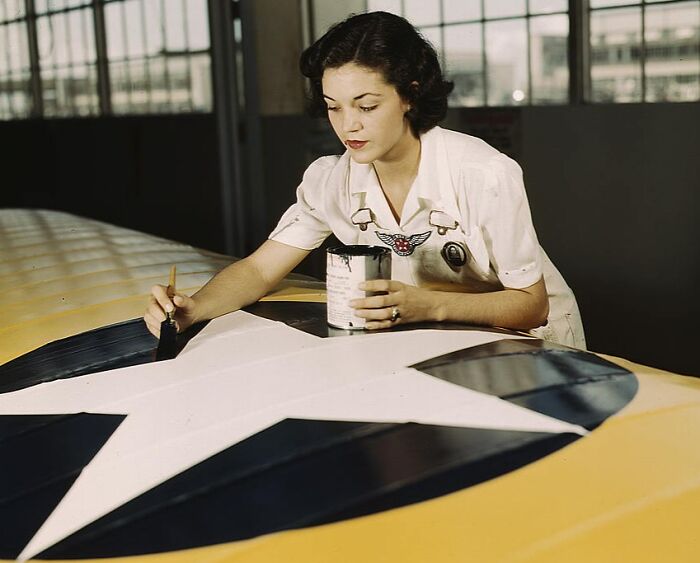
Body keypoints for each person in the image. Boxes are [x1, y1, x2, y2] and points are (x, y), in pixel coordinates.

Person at [145, 11, 585, 348]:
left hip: (536, 343)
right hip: (434, 335)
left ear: (410, 94)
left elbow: (531, 303)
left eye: (367, 105)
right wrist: (192, 309)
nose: (348, 125)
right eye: (333, 106)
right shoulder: (330, 180)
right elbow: (261, 268)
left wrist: (428, 305)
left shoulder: (482, 173)